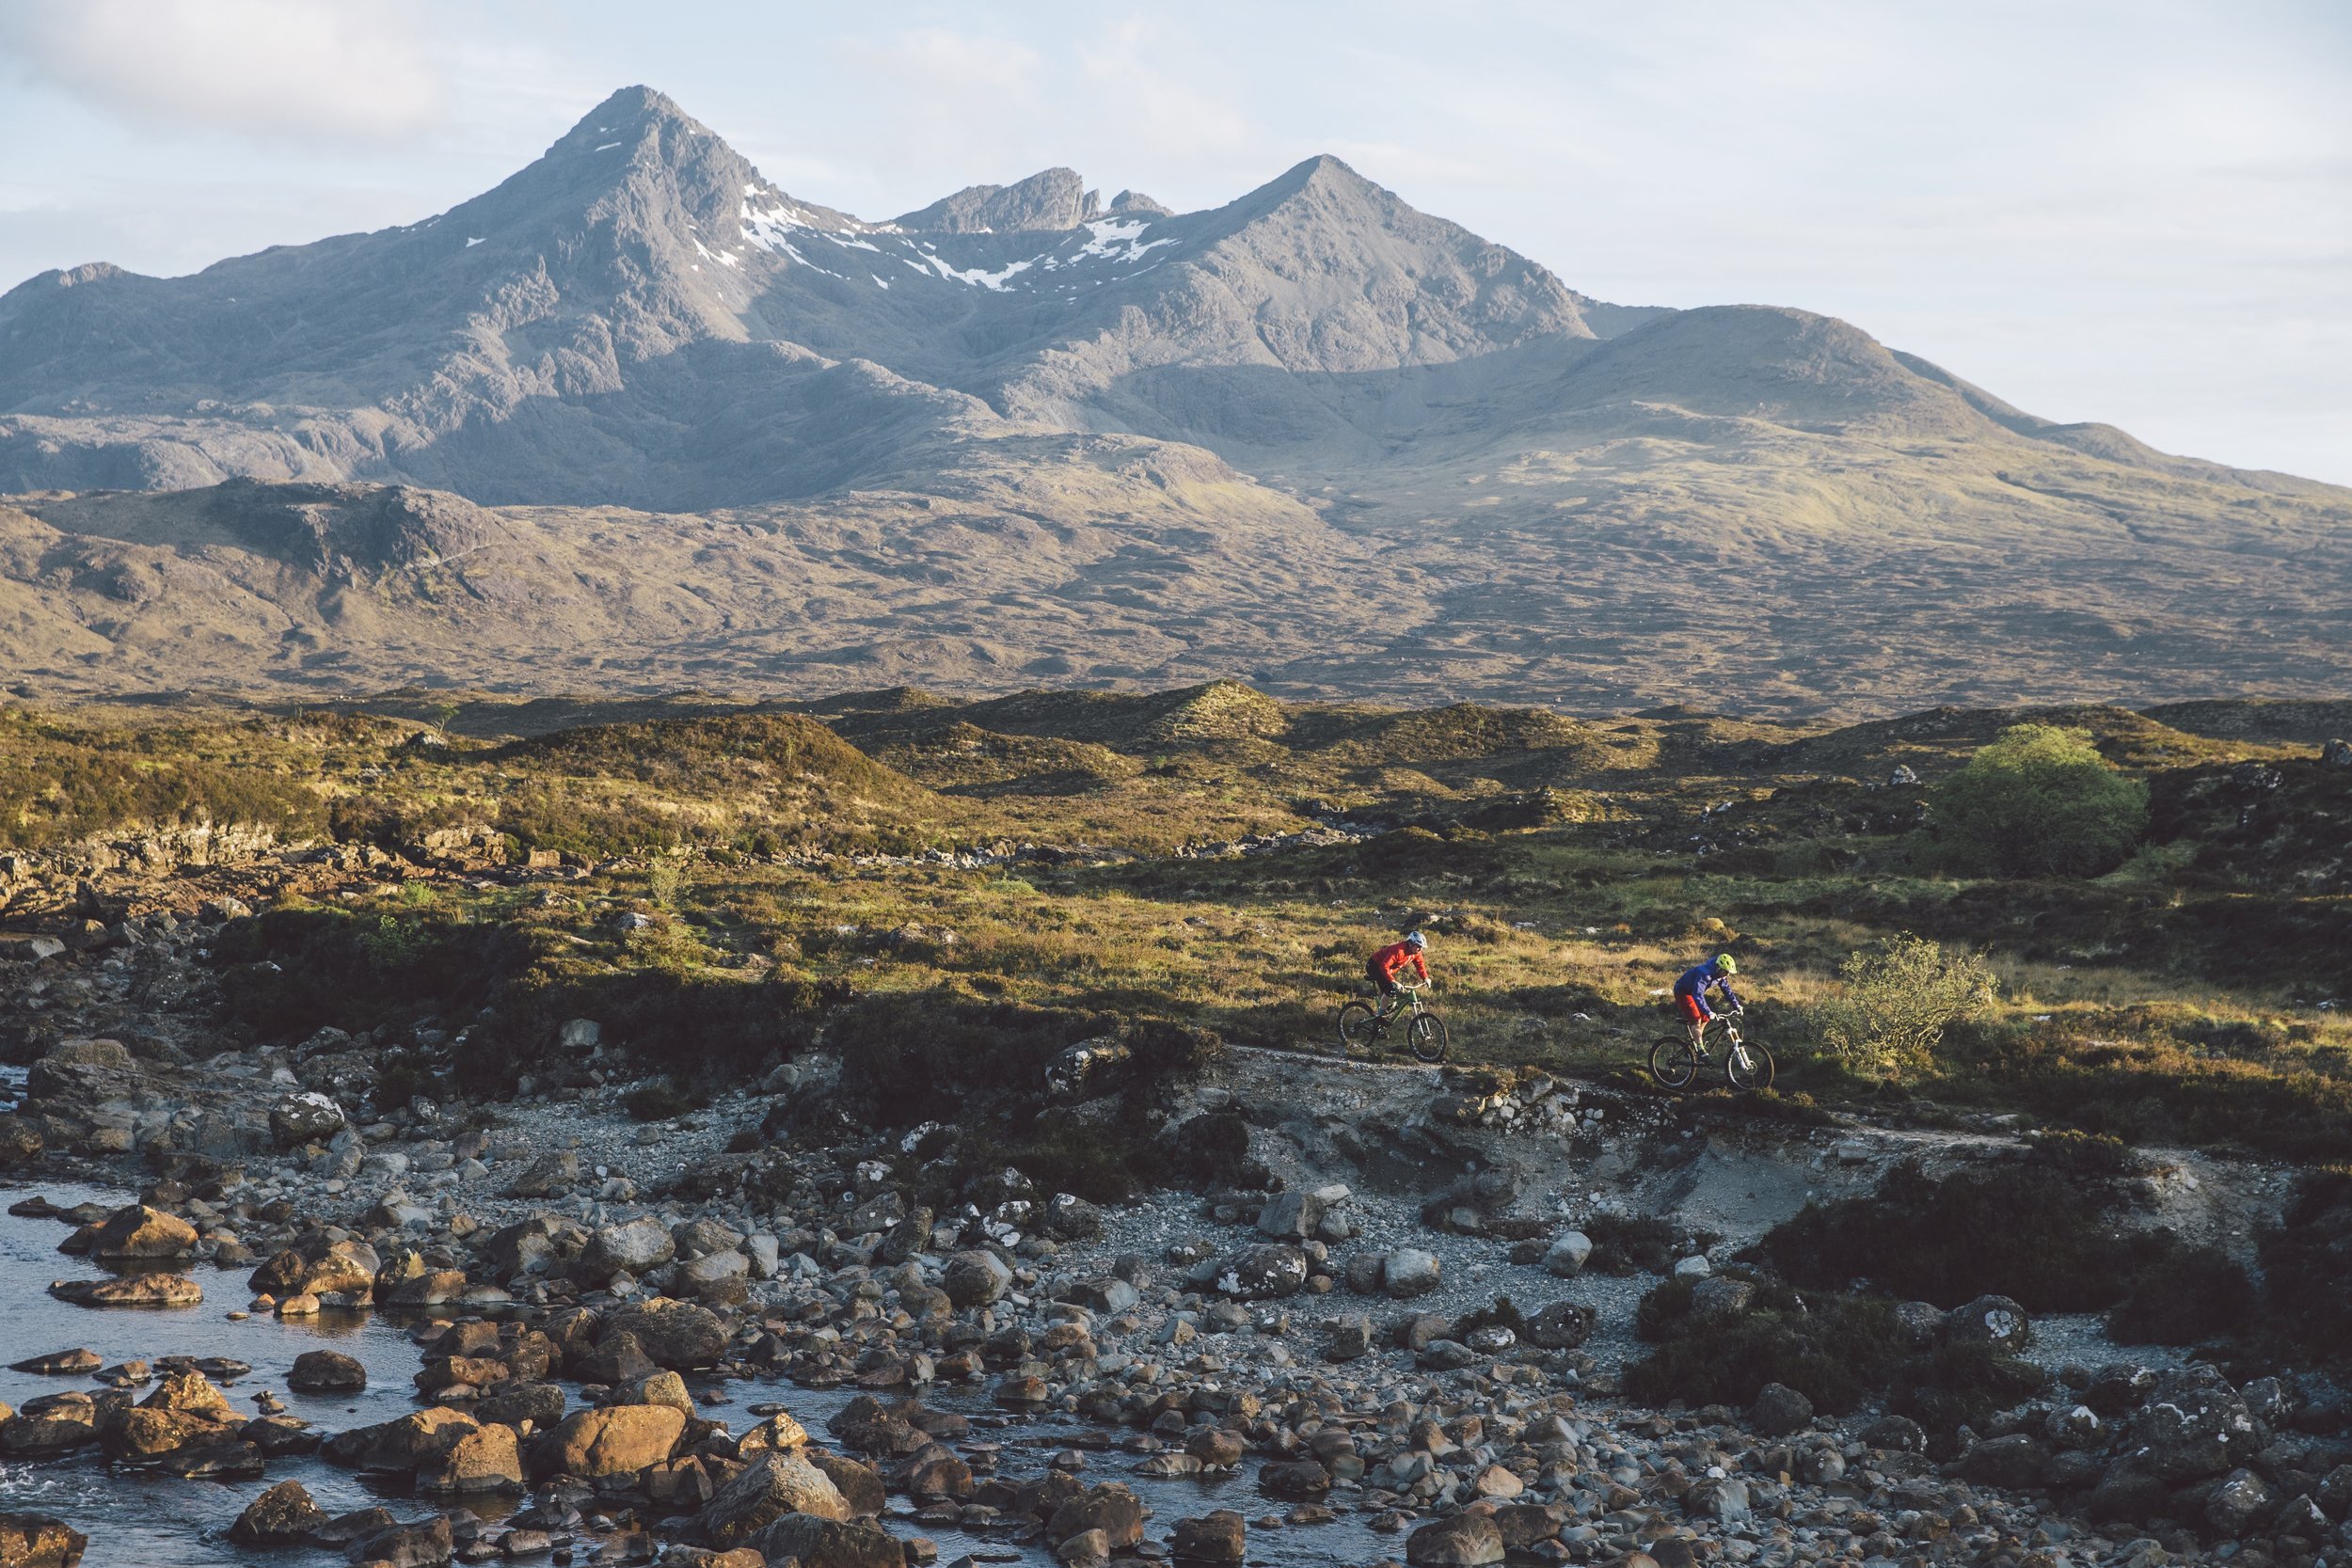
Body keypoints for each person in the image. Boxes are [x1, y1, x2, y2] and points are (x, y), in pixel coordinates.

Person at [1673, 952, 1743, 1043]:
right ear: (1719, 968)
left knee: (1705, 1018)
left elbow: (1726, 989)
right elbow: (1697, 994)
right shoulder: (1704, 974)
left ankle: (1694, 1043)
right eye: (1726, 972)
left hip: (1693, 993)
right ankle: (1700, 1049)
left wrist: (1736, 1005)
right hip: (1683, 992)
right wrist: (1708, 1011)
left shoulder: (1720, 974)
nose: (1728, 975)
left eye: (1729, 972)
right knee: (1696, 1020)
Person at [1367, 931, 1431, 1016]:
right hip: (1374, 966)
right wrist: (1393, 981)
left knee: (1393, 993)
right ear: (1411, 943)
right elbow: (1384, 966)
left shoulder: (1416, 953)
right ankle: (1380, 1017)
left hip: (1386, 969)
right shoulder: (1398, 950)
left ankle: (1386, 1008)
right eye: (1418, 946)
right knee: (1390, 989)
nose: (1420, 949)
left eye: (1421, 947)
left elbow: (1420, 965)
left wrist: (1425, 978)